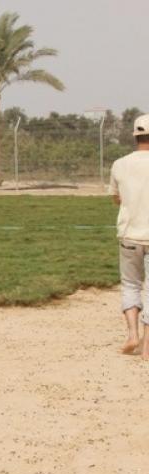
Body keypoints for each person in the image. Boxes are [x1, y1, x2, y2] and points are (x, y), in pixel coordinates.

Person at [109, 113, 149, 358]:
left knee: (131, 285)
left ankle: (132, 334)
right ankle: (148, 347)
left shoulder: (120, 164)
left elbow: (116, 198)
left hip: (129, 236)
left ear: (135, 136)